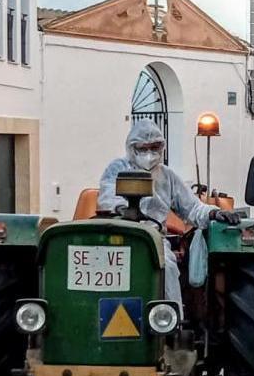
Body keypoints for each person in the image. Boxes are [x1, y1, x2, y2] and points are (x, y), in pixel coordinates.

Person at [98, 119, 240, 306]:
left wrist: (214, 213)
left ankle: (171, 323)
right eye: (143, 148)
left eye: (154, 147)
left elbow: (193, 207)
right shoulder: (118, 169)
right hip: (119, 236)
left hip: (154, 239)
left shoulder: (167, 176)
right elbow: (108, 197)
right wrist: (123, 209)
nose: (149, 154)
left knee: (168, 268)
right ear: (132, 148)